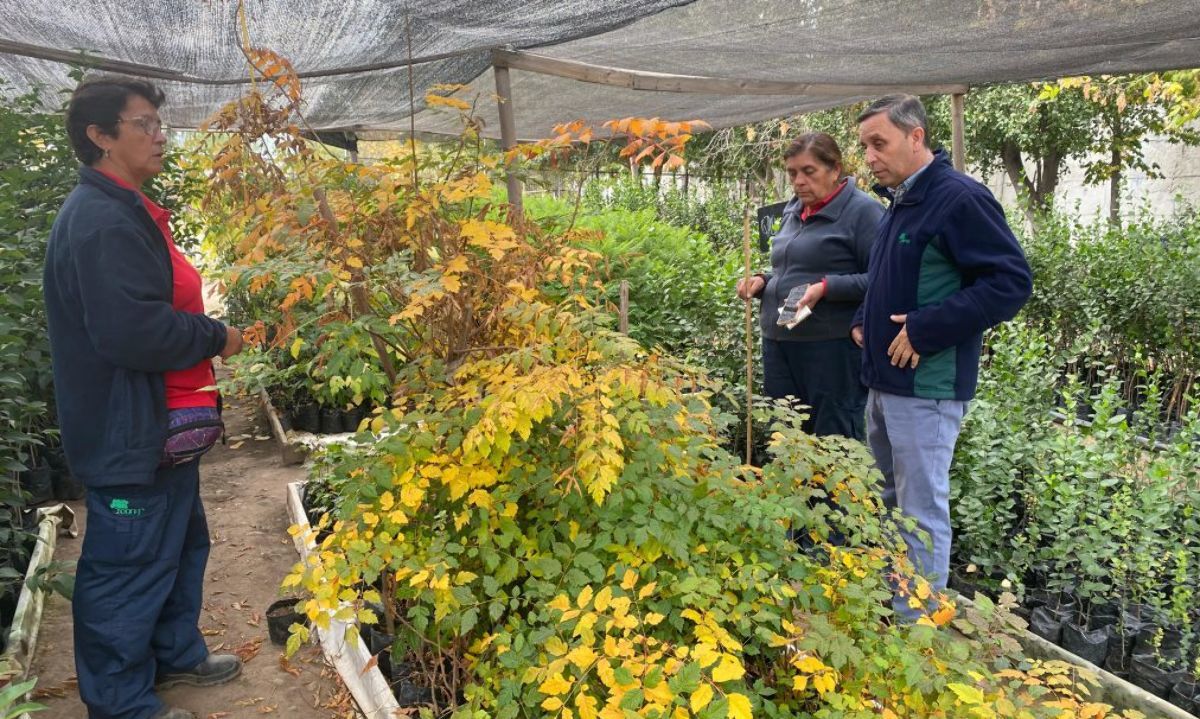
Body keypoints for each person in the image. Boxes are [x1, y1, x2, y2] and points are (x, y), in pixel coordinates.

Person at [45, 76, 246, 719]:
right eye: (142, 124)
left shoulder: (127, 207)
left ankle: (174, 652)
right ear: (99, 136)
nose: (159, 134)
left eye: (158, 121)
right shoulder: (101, 221)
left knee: (180, 545)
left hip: (162, 428)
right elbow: (134, 332)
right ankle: (121, 701)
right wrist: (219, 336)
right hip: (129, 431)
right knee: (126, 566)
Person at [850, 95, 1033, 620]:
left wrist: (928, 329)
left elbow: (1009, 283)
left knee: (921, 510)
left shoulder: (958, 199)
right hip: (885, 383)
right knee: (889, 499)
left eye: (878, 143)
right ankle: (894, 601)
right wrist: (864, 316)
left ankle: (916, 627)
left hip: (925, 386)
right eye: (864, 146)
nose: (870, 157)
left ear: (916, 136)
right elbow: (890, 276)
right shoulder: (902, 201)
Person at [736, 133, 884, 440]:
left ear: (834, 169)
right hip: (780, 340)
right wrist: (763, 281)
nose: (799, 181)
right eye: (792, 173)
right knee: (785, 435)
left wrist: (826, 288)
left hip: (830, 348)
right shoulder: (794, 209)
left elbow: (883, 279)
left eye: (809, 171)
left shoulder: (863, 212)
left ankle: (839, 491)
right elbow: (790, 268)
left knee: (833, 439)